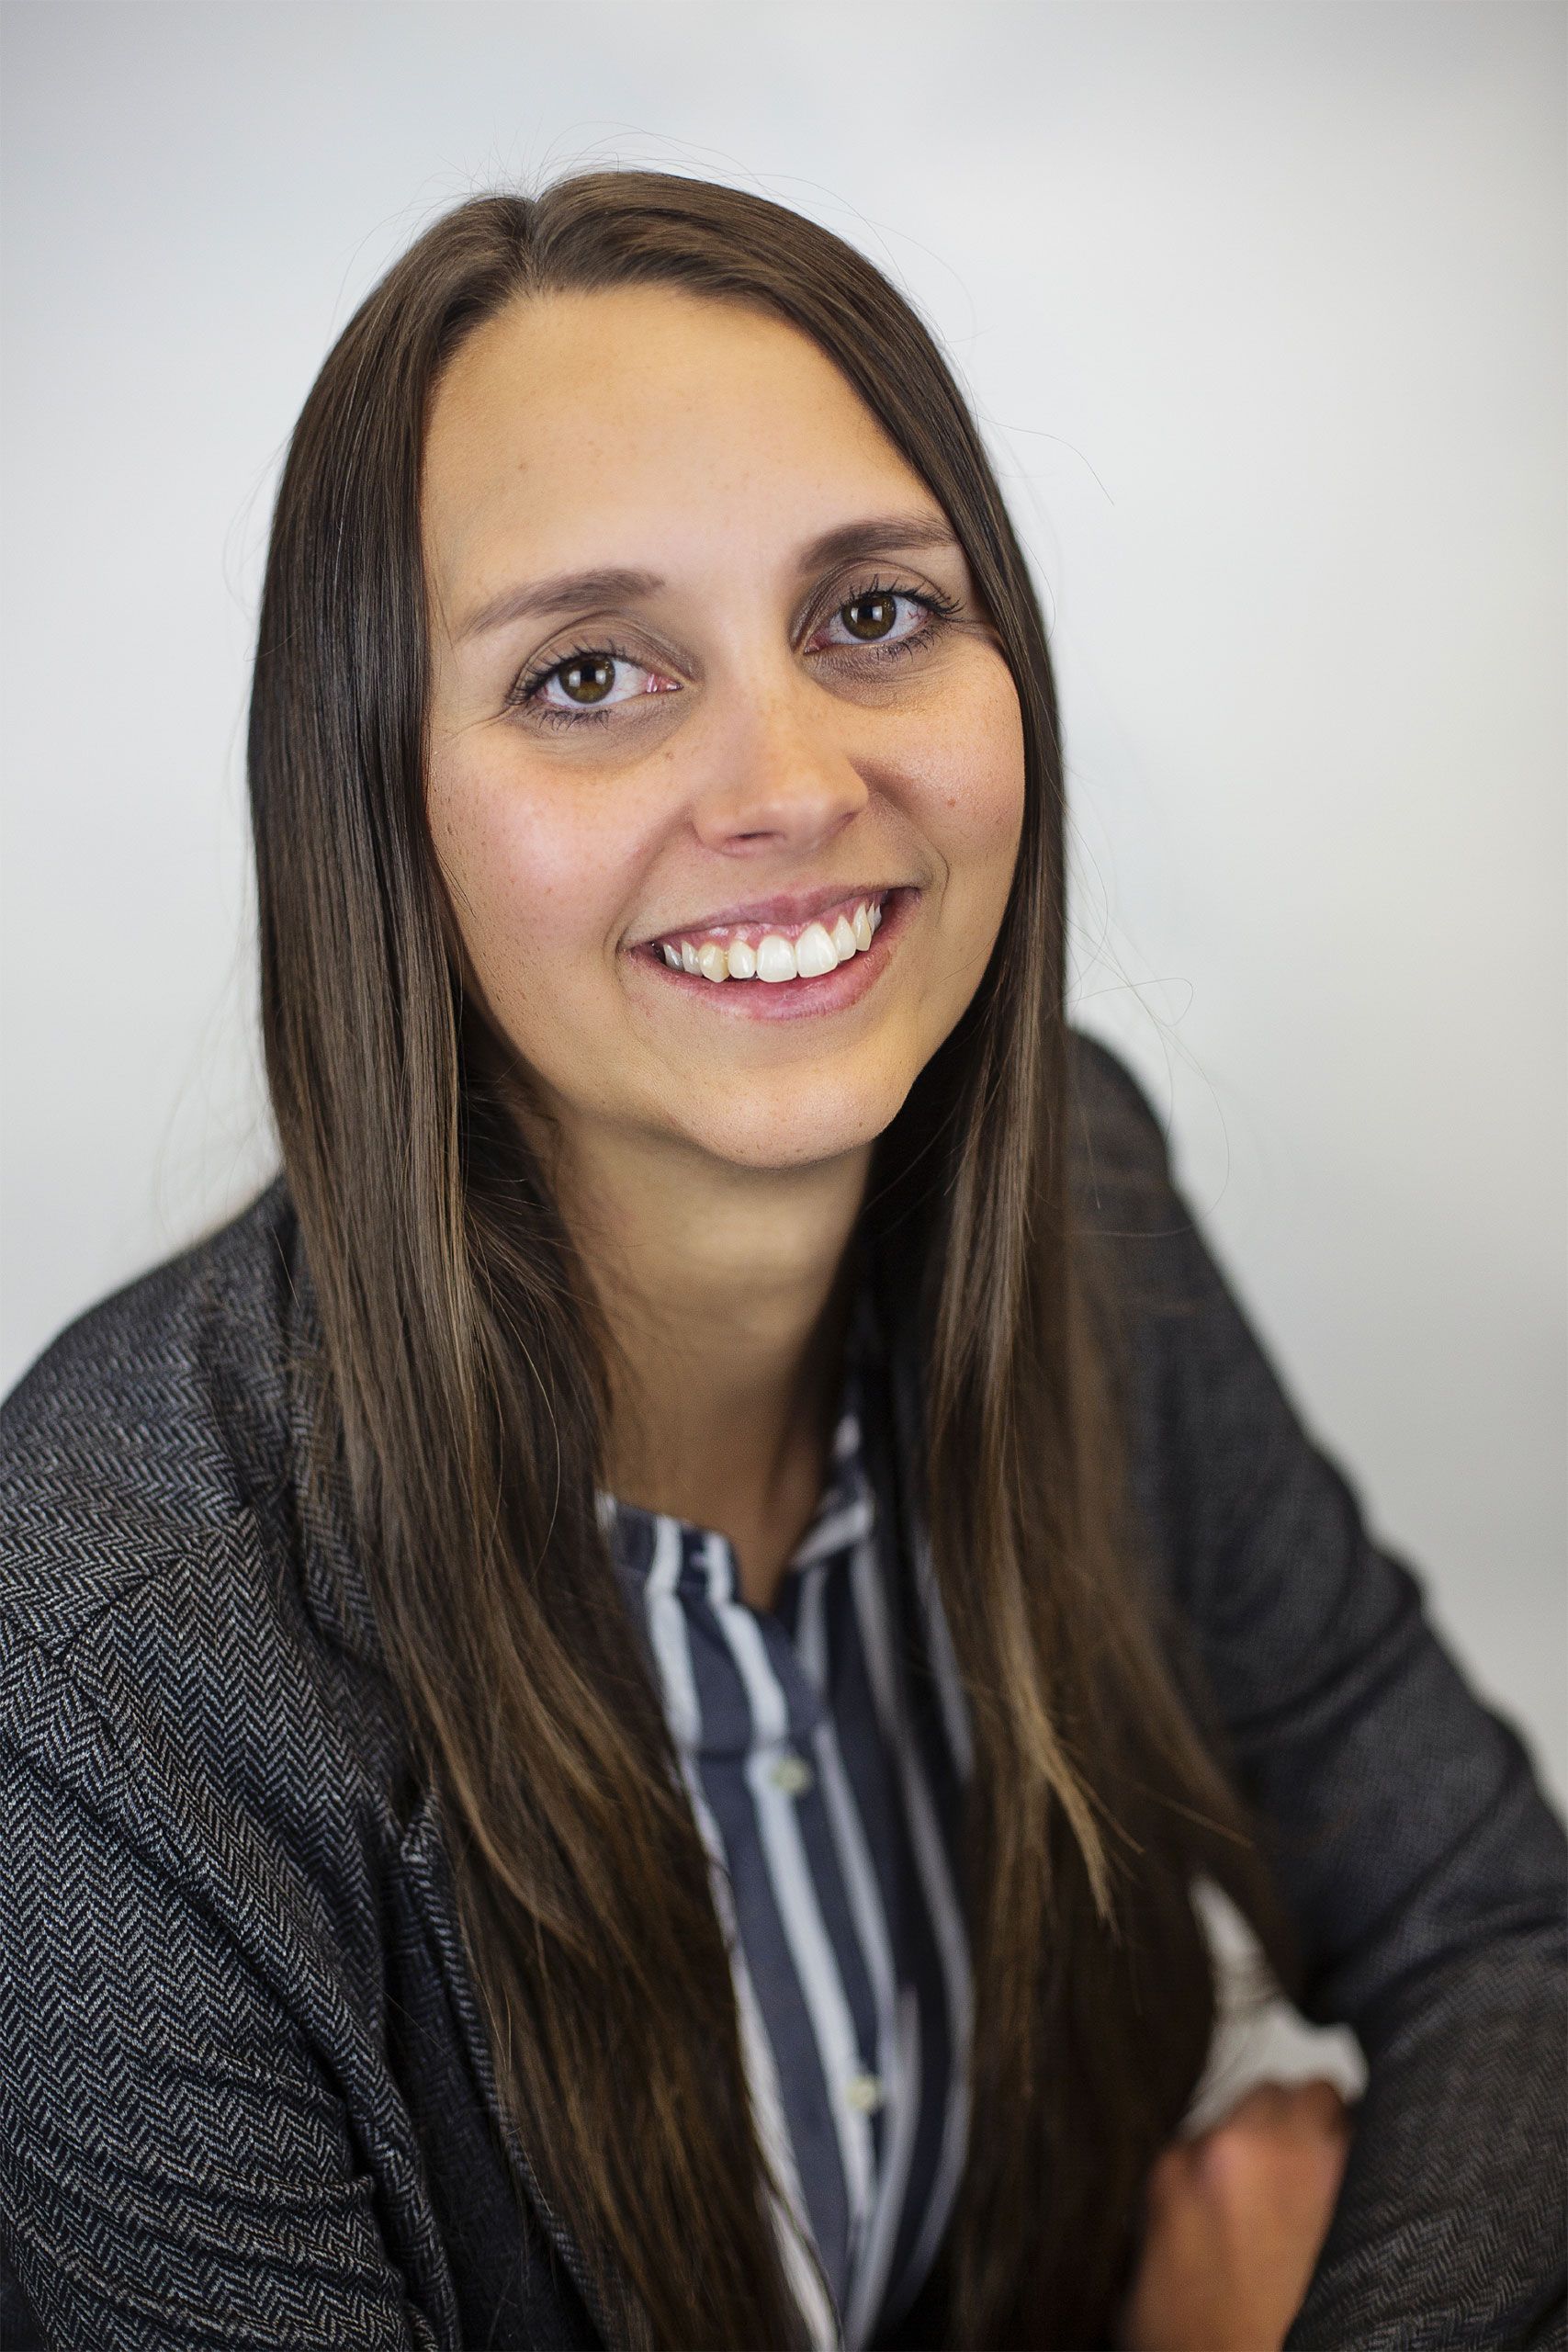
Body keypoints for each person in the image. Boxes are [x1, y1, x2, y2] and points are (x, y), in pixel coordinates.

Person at [0, 171, 1562, 2352]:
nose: (788, 779)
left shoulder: (1080, 1217)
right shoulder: (90, 1694)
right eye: (588, 670)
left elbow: (1496, 1929)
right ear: (375, 808)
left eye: (869, 615)